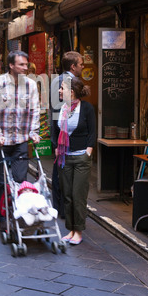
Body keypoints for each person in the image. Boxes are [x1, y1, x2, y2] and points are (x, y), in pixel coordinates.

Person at [0, 50, 40, 232]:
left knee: (20, 180)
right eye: (22, 65)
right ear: (11, 65)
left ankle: (19, 214)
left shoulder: (31, 85)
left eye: (26, 64)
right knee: (0, 182)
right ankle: (2, 217)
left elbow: (35, 110)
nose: (26, 68)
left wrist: (34, 132)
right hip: (1, 142)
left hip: (21, 141)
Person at [53, 76, 96, 245]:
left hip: (80, 157)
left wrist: (88, 151)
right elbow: (55, 129)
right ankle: (70, 230)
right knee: (68, 195)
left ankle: (78, 231)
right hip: (64, 158)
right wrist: (56, 147)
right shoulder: (60, 108)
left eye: (62, 88)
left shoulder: (86, 108)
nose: (59, 91)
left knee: (78, 195)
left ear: (71, 91)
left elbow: (92, 131)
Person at [50, 51, 84, 217]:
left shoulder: (57, 79)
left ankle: (60, 207)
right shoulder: (68, 81)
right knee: (62, 172)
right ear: (73, 66)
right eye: (80, 64)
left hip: (59, 133)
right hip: (63, 134)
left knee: (59, 171)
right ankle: (62, 208)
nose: (82, 67)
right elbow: (60, 109)